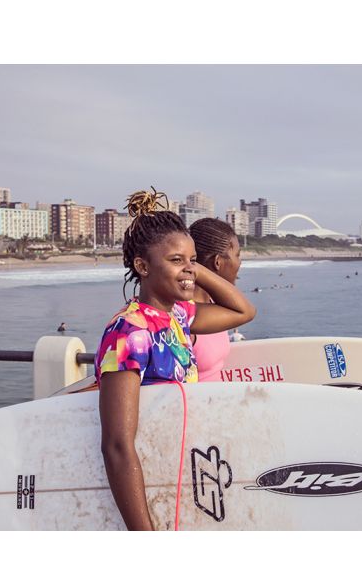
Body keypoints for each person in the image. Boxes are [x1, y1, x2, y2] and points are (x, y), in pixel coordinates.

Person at [95, 189, 256, 530]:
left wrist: (192, 267)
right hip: (149, 481)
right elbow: (118, 446)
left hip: (183, 471)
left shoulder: (178, 316)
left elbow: (244, 310)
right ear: (142, 266)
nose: (188, 271)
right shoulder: (129, 332)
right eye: (175, 260)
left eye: (193, 259)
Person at [188, 217, 244, 381]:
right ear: (218, 262)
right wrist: (196, 267)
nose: (240, 262)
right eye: (237, 255)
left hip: (219, 402)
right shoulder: (186, 314)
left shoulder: (213, 305)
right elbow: (247, 311)